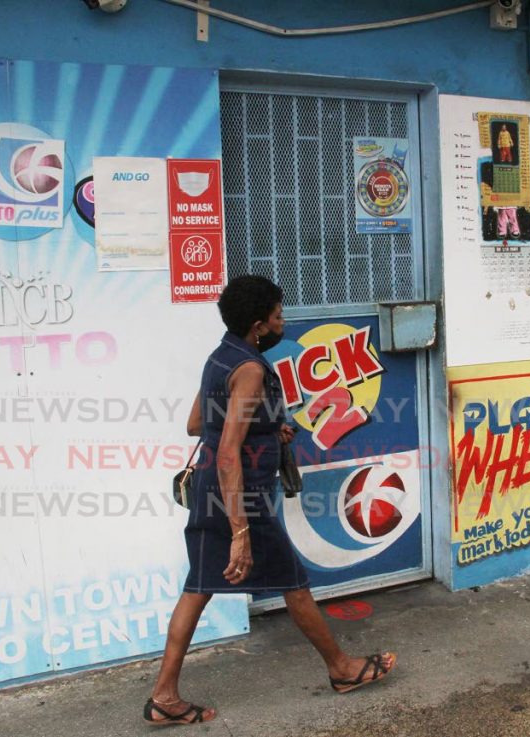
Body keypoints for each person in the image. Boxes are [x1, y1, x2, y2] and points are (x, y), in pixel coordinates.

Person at [144, 275, 397, 726]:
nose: (284, 322)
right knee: (294, 583)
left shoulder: (221, 356)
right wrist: (241, 531)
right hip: (241, 499)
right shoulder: (251, 369)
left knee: (198, 588)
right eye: (278, 316)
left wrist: (263, 427)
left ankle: (164, 695)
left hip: (209, 492)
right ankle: (341, 669)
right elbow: (226, 453)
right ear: (259, 325)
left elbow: (198, 423)